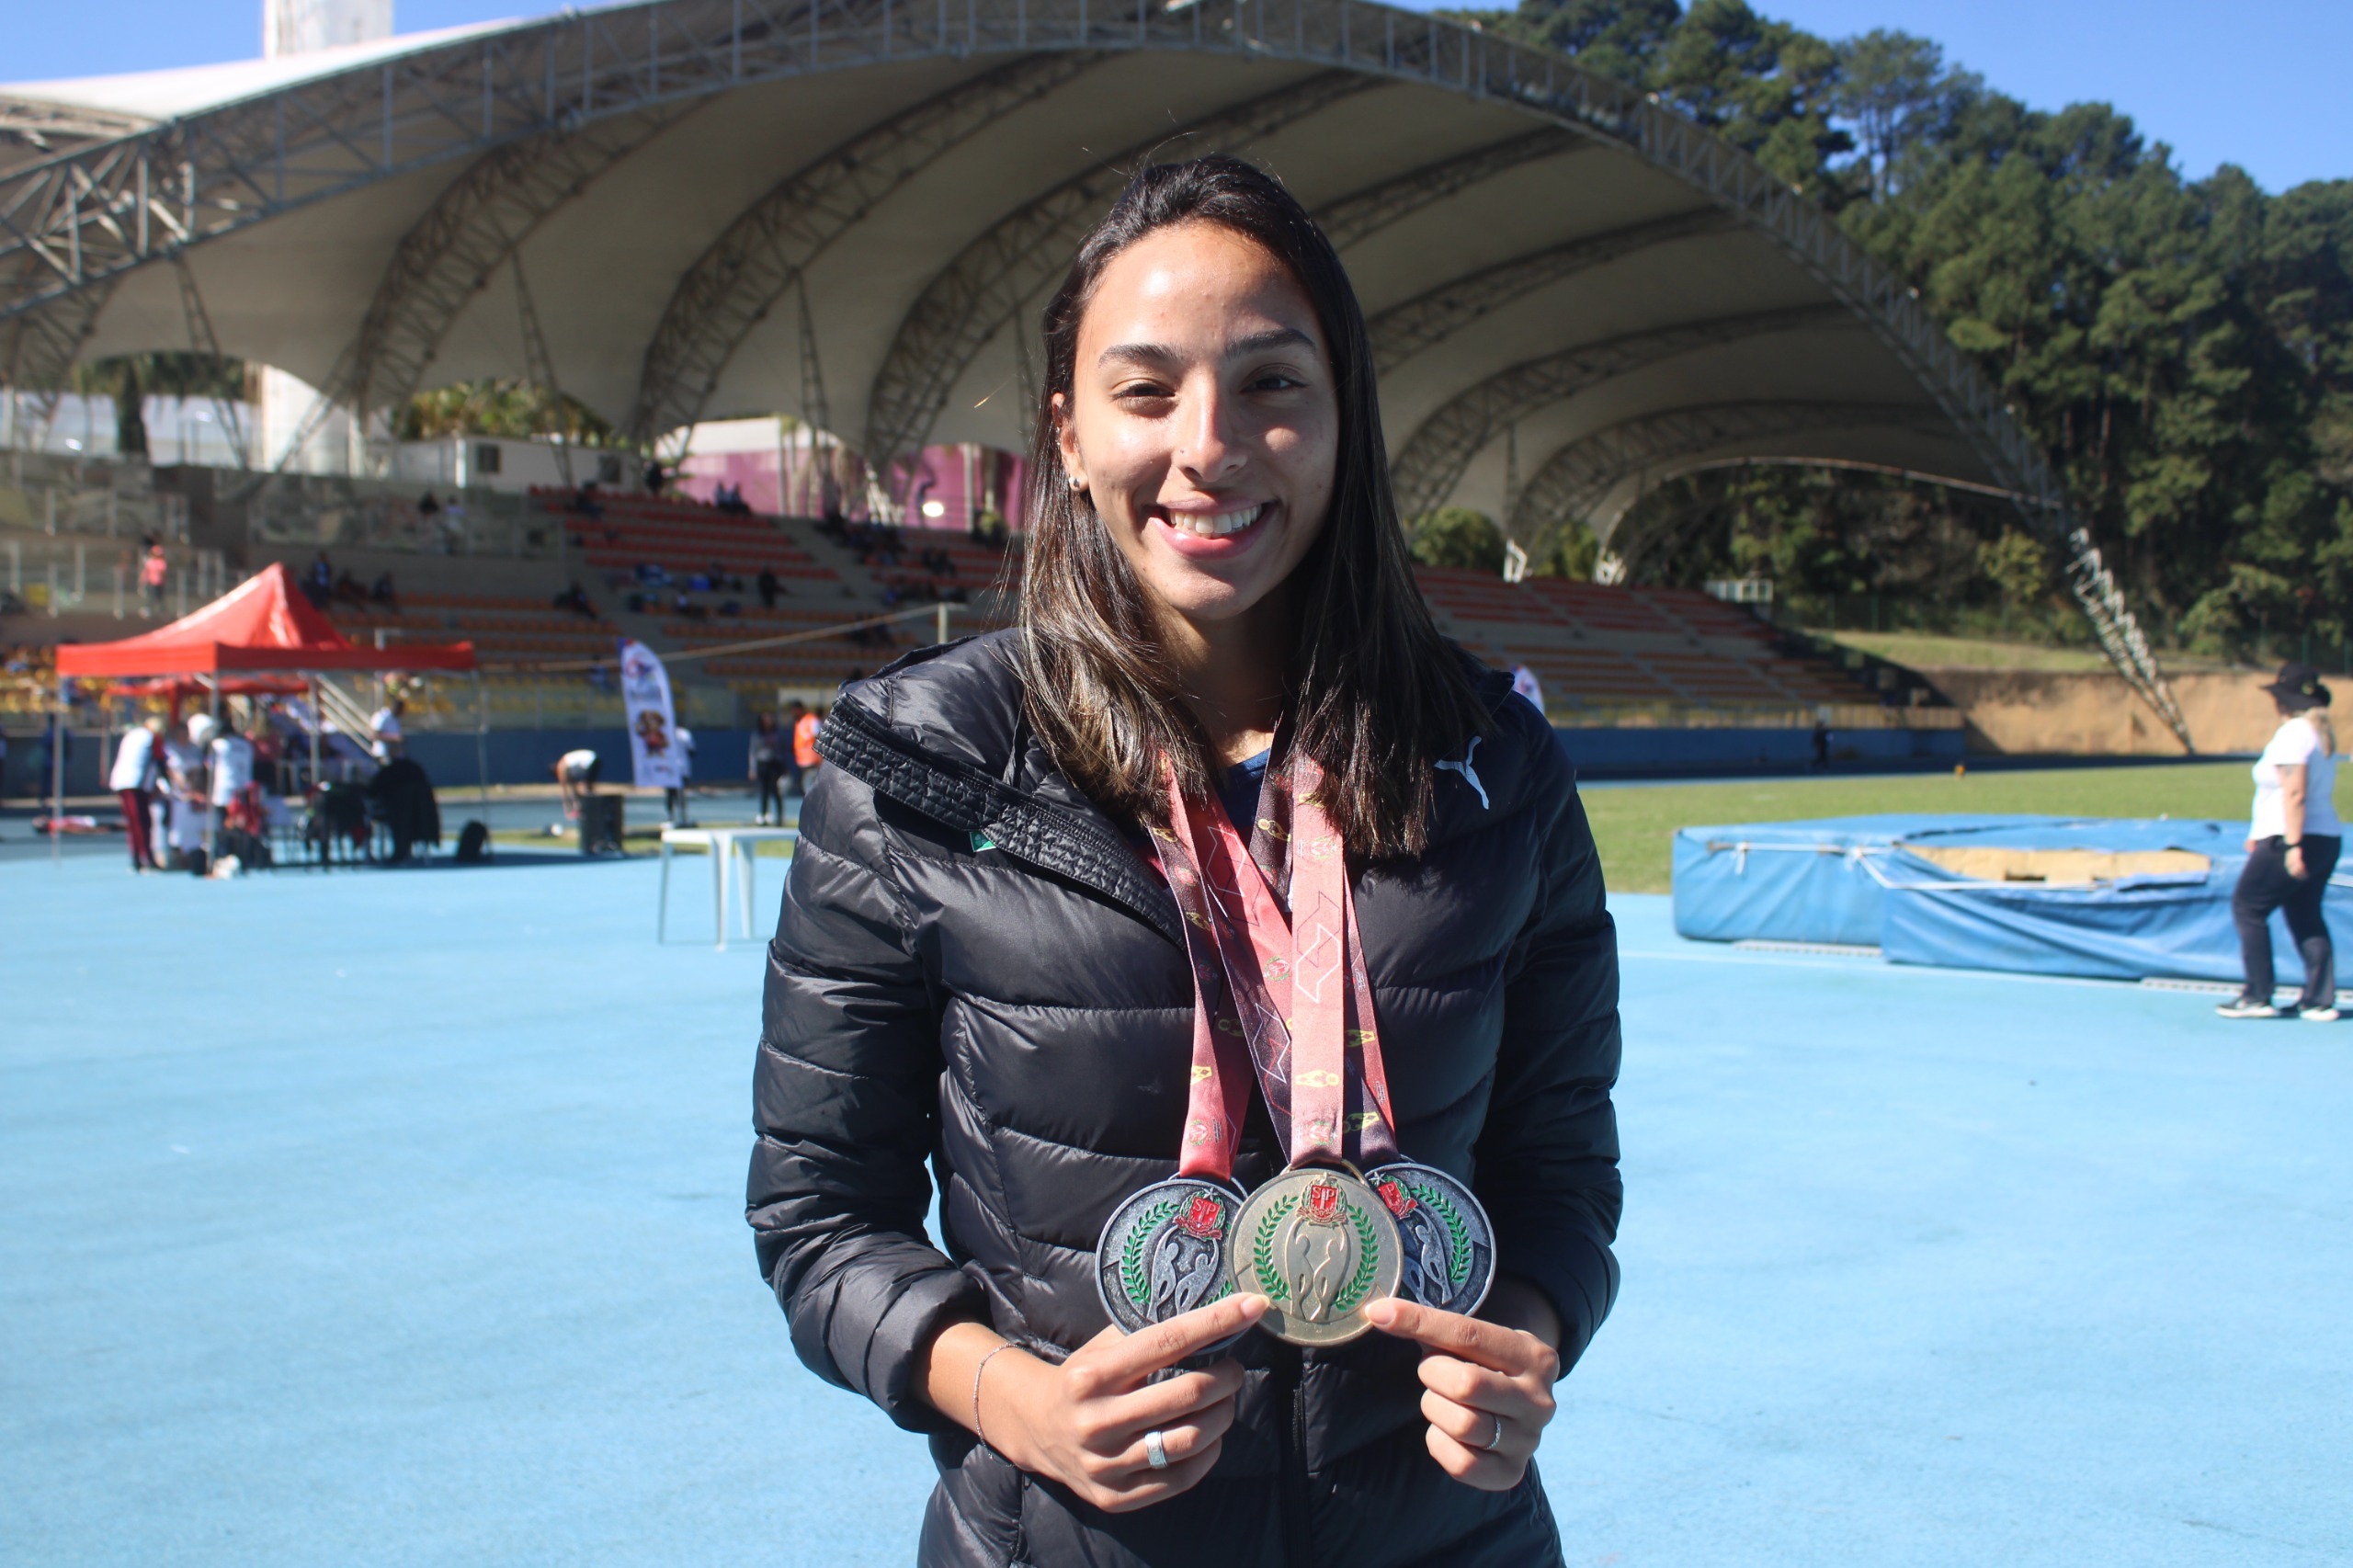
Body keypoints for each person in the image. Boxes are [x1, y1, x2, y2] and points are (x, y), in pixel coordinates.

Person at [747, 156, 1620, 1568]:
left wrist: (1526, 1332)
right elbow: (817, 1220)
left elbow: (1563, 1174)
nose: (1208, 446)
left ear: (1342, 419)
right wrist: (1015, 1401)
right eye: (1146, 391)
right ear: (1069, 434)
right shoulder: (917, 771)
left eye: (1272, 383)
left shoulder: (1495, 768)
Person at [2220, 662, 2343, 1021]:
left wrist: (2292, 846)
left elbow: (2295, 793)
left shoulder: (2293, 734)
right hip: (2323, 836)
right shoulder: (2318, 733)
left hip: (2292, 837)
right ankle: (2318, 998)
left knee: (2248, 907)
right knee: (2305, 912)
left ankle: (2258, 993)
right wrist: (2257, 833)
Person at [110, 715, 163, 871]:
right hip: (135, 783)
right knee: (142, 822)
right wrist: (165, 784)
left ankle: (136, 857)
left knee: (134, 822)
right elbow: (159, 761)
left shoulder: (132, 735)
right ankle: (146, 857)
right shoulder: (151, 738)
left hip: (122, 781)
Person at [750, 711, 791, 825]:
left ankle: (780, 818)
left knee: (776, 791)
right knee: (764, 791)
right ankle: (763, 816)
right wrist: (752, 769)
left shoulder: (777, 734)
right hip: (763, 764)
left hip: (775, 764)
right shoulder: (757, 735)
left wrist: (785, 767)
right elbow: (753, 752)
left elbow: (783, 750)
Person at [552, 747, 599, 821]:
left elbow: (565, 791)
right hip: (595, 758)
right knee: (588, 788)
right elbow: (572, 786)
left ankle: (587, 810)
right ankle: (591, 809)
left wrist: (566, 808)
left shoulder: (561, 767)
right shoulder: (568, 764)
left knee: (584, 788)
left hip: (589, 761)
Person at [790, 702, 822, 796]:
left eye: (794, 711)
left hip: (813, 762)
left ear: (800, 710)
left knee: (812, 791)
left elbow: (820, 739)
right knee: (804, 791)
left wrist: (820, 759)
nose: (793, 713)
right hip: (801, 762)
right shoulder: (798, 722)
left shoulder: (812, 720)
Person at [368, 697, 405, 764]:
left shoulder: (396, 719)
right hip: (381, 754)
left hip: (394, 755)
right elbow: (374, 735)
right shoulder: (382, 716)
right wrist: (394, 738)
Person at [139, 540, 168, 619]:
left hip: (159, 583)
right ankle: (148, 609)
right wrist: (143, 580)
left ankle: (162, 612)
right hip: (152, 582)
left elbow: (163, 573)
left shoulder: (161, 562)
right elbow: (146, 572)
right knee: (153, 597)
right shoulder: (150, 562)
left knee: (160, 598)